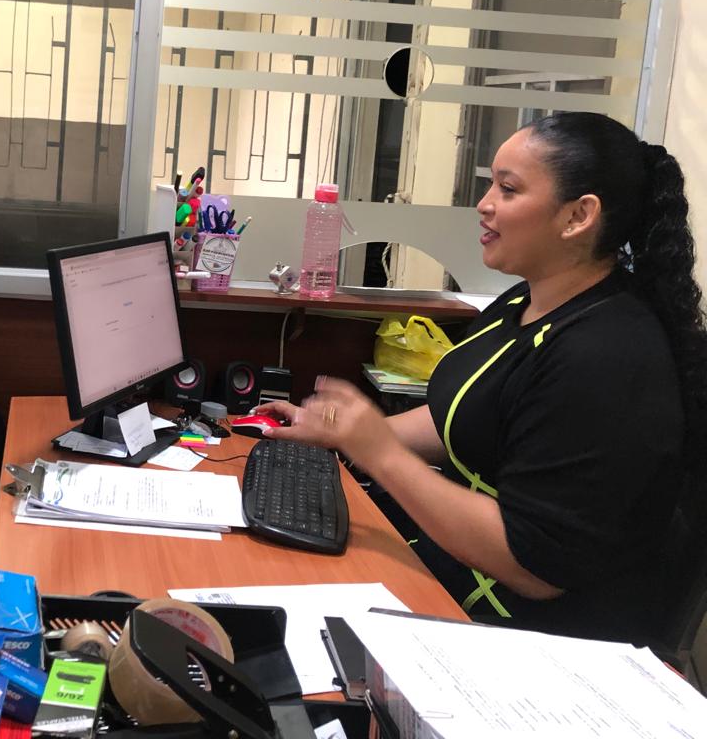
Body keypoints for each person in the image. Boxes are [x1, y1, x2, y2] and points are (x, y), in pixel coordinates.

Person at [258, 112, 707, 642]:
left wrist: (379, 452)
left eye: (508, 189)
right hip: (447, 569)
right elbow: (466, 414)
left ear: (578, 216)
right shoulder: (526, 299)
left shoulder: (606, 354)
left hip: (523, 632)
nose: (485, 204)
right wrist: (339, 434)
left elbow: (533, 567)